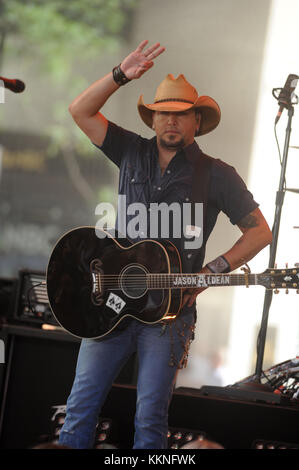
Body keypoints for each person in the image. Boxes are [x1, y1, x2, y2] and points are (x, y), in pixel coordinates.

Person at [58, 40, 272, 449]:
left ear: (196, 121)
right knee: (79, 410)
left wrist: (212, 272)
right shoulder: (128, 150)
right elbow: (79, 111)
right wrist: (120, 74)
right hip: (112, 305)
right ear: (152, 120)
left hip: (169, 316)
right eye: (163, 114)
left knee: (150, 421)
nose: (171, 121)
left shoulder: (217, 175)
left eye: (180, 115)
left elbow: (261, 231)